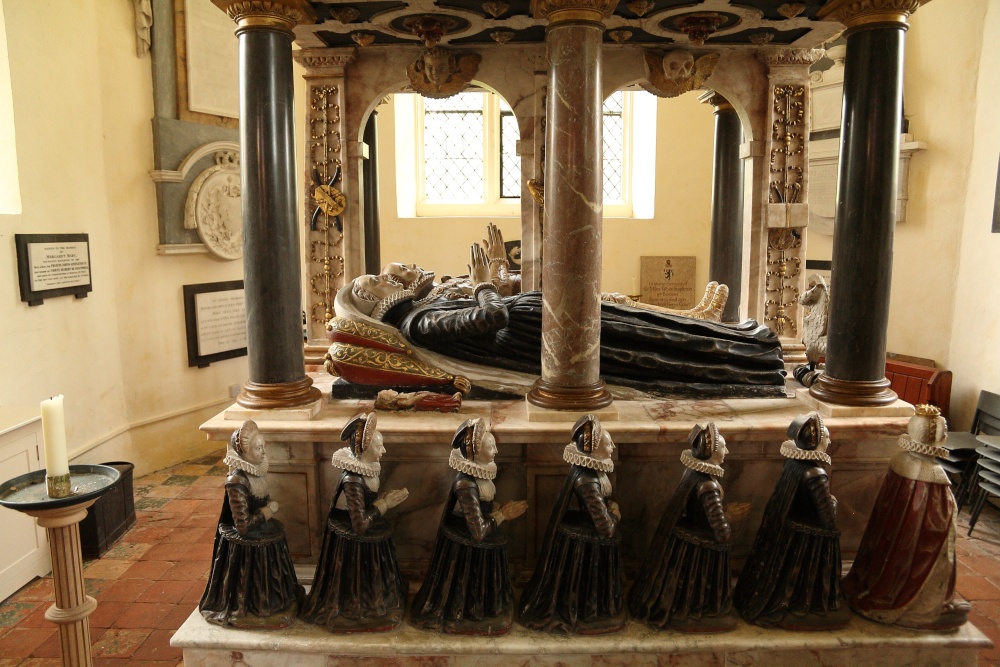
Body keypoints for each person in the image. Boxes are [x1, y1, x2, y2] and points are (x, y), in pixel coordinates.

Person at [348, 243, 785, 399]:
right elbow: (492, 316)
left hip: (541, 324)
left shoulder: (426, 310)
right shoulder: (416, 325)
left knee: (642, 328)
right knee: (649, 348)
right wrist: (483, 284)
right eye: (386, 279)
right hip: (537, 336)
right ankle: (750, 357)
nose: (400, 272)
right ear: (380, 301)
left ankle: (737, 338)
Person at [843, 405, 970, 631]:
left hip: (892, 540)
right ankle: (925, 608)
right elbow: (937, 527)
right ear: (935, 436)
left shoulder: (901, 460)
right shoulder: (932, 473)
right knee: (913, 567)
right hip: (913, 552)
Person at [732, 412, 850, 630]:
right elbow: (828, 519)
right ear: (815, 442)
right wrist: (833, 501)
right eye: (826, 438)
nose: (830, 441)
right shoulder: (816, 473)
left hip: (787, 536)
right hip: (808, 543)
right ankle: (805, 606)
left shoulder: (793, 463)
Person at [410, 418, 528, 635]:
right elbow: (479, 531)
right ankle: (471, 612)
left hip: (479, 530)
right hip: (469, 545)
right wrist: (503, 515)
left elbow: (481, 508)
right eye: (490, 446)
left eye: (494, 445)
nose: (495, 451)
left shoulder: (481, 474)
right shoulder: (466, 484)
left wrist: (498, 508)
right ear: (474, 450)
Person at [300, 412, 409, 632]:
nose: (384, 451)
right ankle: (360, 606)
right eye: (379, 447)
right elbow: (359, 525)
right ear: (365, 449)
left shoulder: (366, 471)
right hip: (351, 529)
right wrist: (385, 504)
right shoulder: (353, 480)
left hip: (361, 519)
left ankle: (382, 597)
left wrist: (382, 500)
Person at [519, 415, 626, 635]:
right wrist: (614, 514)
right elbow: (605, 527)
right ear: (594, 449)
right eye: (608, 443)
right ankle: (588, 610)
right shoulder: (587, 481)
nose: (613, 446)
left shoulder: (594, 472)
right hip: (588, 541)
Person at [628, 422, 737, 632]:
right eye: (723, 447)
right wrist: (731, 516)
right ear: (711, 451)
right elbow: (721, 532)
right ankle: (698, 611)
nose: (727, 451)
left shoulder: (693, 474)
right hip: (701, 550)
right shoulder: (708, 486)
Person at [200, 420, 302, 628]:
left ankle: (275, 599)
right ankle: (255, 604)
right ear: (244, 453)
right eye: (258, 448)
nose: (264, 452)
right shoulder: (237, 482)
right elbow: (243, 526)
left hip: (261, 529)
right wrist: (267, 512)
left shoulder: (255, 471)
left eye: (263, 446)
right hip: (248, 539)